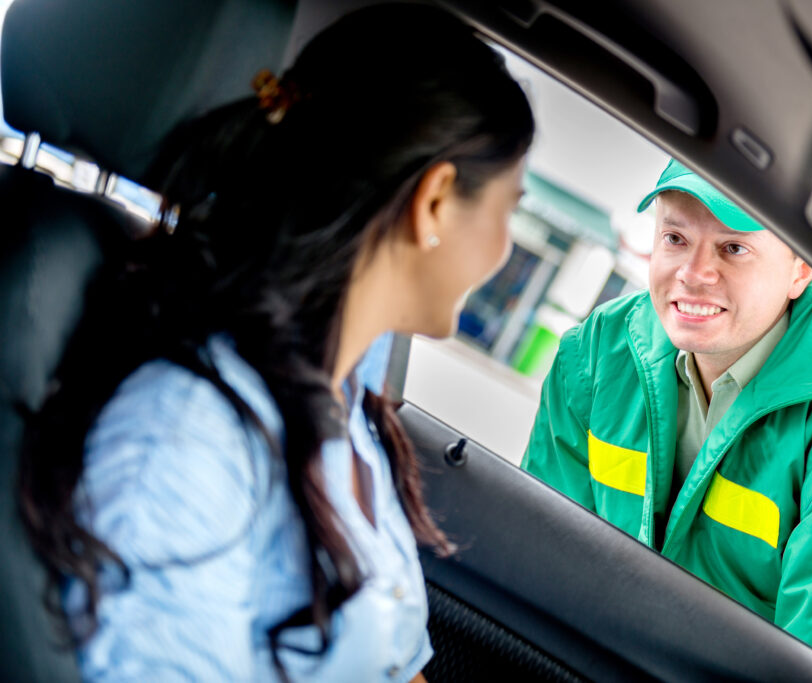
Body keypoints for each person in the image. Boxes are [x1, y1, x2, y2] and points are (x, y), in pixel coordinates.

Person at [18, 5, 533, 681]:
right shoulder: (184, 442)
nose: (505, 247)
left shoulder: (348, 404)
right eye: (510, 207)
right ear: (435, 201)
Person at [522, 159, 812, 682]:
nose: (693, 273)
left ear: (801, 268)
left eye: (733, 248)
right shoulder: (597, 354)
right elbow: (537, 565)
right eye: (675, 237)